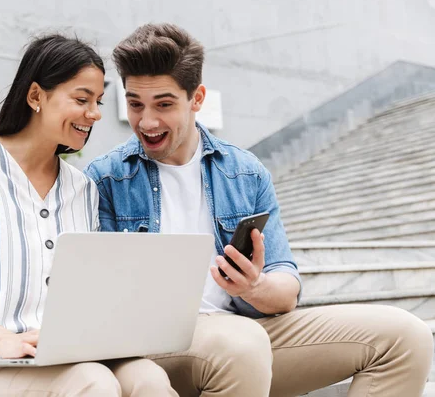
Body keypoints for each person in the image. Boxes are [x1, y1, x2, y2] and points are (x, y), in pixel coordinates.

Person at [84, 23, 434, 397]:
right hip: (152, 351)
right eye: (135, 104)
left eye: (164, 104)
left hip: (247, 334)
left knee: (404, 336)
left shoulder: (245, 173)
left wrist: (255, 286)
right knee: (241, 344)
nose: (147, 122)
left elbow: (285, 291)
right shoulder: (106, 178)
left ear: (197, 98)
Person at [0, 34, 176, 397]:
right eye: (82, 99)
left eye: (99, 101)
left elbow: (88, 293)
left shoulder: (83, 190)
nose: (95, 113)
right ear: (35, 97)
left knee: (148, 380)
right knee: (94, 383)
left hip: (59, 359)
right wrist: (1, 338)